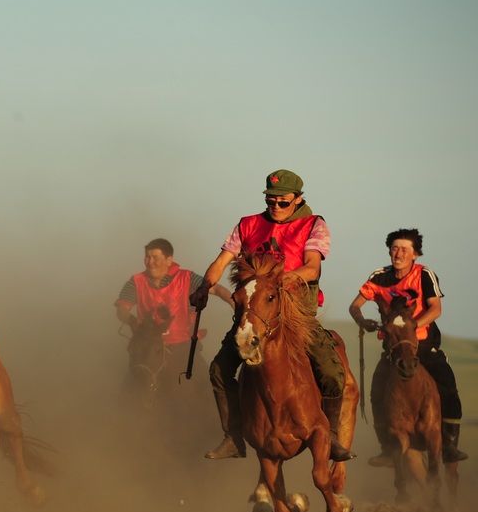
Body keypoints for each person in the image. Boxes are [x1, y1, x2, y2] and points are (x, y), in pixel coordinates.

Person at [190, 169, 353, 462]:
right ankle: (233, 436)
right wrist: (205, 286)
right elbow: (221, 262)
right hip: (254, 311)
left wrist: (287, 279)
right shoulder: (248, 224)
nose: (276, 207)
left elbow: (312, 267)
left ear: (298, 199)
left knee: (331, 371)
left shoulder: (314, 224)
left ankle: (330, 437)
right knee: (219, 369)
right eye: (271, 202)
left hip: (294, 312)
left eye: (283, 202)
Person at [349, 228, 467, 465]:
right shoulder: (379, 277)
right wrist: (362, 321)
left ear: (415, 254)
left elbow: (436, 309)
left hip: (423, 344)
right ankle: (388, 448)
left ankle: (449, 445)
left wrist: (411, 327)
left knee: (447, 385)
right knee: (376, 392)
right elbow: (355, 305)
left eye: (404, 249)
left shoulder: (425, 275)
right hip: (393, 348)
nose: (398, 253)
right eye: (394, 248)